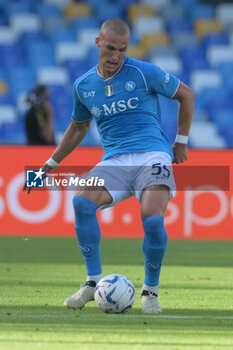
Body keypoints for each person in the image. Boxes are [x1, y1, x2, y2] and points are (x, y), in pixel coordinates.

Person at [27, 18, 194, 313]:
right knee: (81, 200)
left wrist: (180, 141)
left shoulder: (143, 72)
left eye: (122, 50)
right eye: (111, 48)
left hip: (152, 155)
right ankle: (92, 283)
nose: (116, 56)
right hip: (115, 160)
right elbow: (78, 128)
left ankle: (150, 292)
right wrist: (48, 165)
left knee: (153, 219)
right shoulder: (84, 85)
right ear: (98, 43)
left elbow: (186, 94)